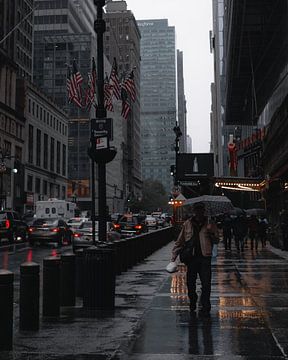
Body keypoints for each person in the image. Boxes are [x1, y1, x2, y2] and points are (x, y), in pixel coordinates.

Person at [171, 202, 219, 315]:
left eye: (201, 210)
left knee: (206, 283)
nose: (199, 212)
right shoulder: (187, 224)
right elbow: (180, 240)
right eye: (197, 210)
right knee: (190, 283)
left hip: (205, 257)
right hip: (191, 258)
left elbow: (217, 240)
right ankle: (193, 299)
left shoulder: (210, 223)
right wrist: (174, 255)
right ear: (194, 211)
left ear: (203, 211)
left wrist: (211, 232)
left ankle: (205, 303)